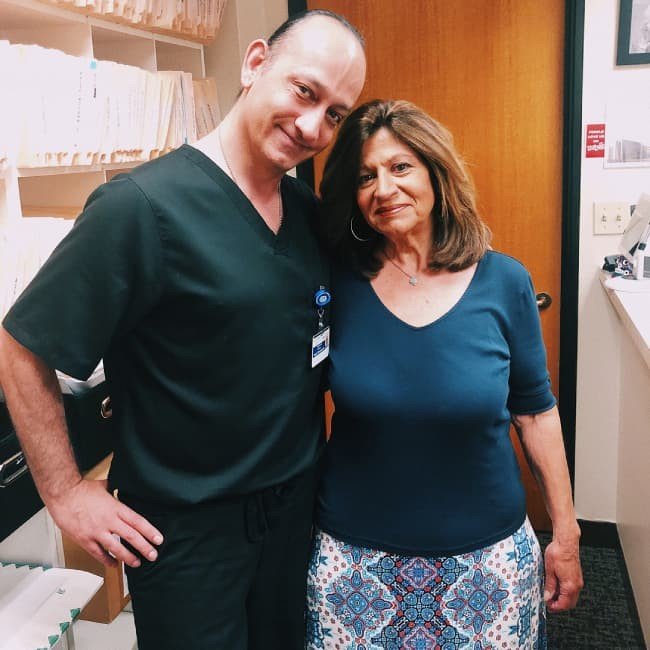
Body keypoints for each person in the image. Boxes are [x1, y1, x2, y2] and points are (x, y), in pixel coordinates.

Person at [0, 10, 366, 650]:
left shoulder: (308, 217)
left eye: (335, 114)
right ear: (255, 64)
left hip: (292, 518)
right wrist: (62, 491)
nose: (313, 126)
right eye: (305, 92)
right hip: (188, 536)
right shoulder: (138, 209)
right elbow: (22, 344)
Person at [306, 99, 583, 649]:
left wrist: (567, 533)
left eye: (400, 166)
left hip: (487, 563)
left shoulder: (504, 281)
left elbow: (535, 411)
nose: (384, 188)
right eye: (366, 176)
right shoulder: (333, 285)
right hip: (355, 565)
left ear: (436, 171)